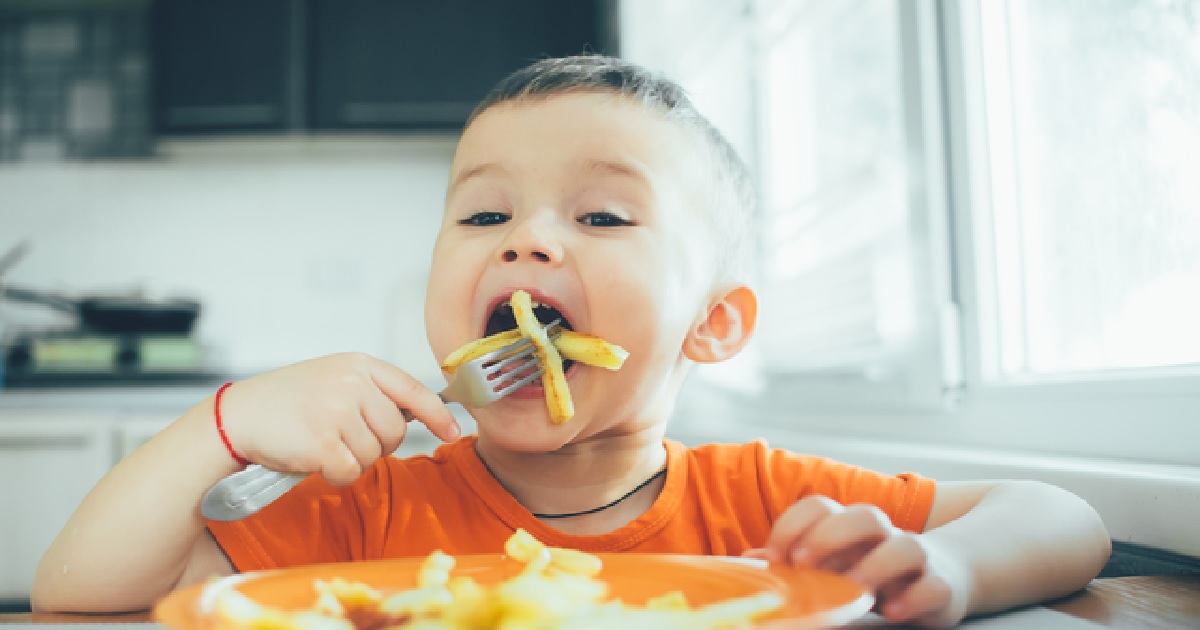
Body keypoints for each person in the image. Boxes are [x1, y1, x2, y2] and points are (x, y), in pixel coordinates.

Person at [32, 56, 1110, 627]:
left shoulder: (766, 506)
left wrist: (947, 568)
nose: (528, 243)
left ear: (714, 323)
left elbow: (1066, 519)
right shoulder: (374, 509)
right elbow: (78, 592)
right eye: (485, 216)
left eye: (600, 218)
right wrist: (222, 424)